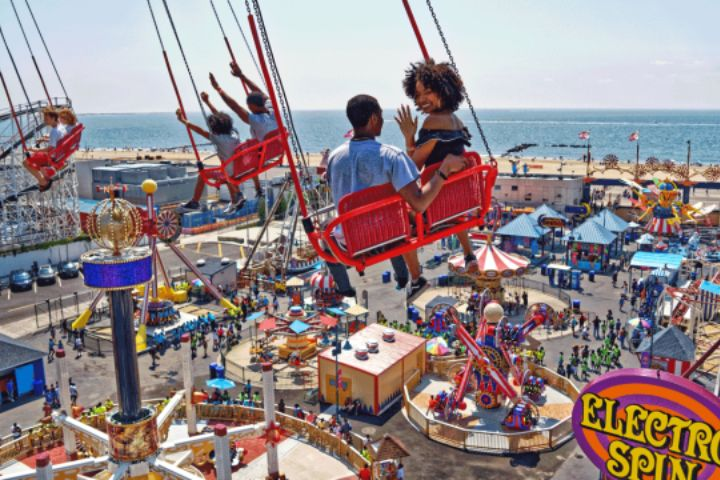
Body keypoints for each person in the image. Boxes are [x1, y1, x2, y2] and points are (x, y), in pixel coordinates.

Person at [325, 94, 467, 301]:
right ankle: (413, 275)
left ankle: (406, 278)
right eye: (381, 116)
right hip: (385, 235)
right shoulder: (391, 156)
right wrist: (444, 170)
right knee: (414, 216)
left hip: (350, 241)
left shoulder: (334, 157)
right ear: (374, 119)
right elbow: (419, 203)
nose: (383, 121)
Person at [397, 59, 478, 273]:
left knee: (397, 219)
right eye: (418, 94)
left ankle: (414, 277)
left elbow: (413, 166)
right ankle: (469, 253)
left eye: (429, 92)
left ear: (444, 89)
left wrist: (408, 139)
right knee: (447, 189)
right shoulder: (456, 122)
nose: (422, 99)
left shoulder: (432, 122)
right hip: (456, 201)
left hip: (435, 204)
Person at [205, 62, 276, 197]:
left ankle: (237, 196)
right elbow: (261, 94)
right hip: (274, 150)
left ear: (252, 106)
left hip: (262, 157)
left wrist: (218, 89)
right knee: (248, 144)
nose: (248, 108)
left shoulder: (257, 121)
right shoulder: (273, 111)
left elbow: (235, 107)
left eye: (249, 106)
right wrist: (241, 76)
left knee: (238, 150)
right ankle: (257, 188)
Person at [175, 109, 244, 214]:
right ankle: (235, 198)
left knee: (203, 175)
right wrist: (208, 102)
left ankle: (195, 202)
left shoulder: (217, 138)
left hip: (228, 173)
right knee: (228, 172)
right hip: (237, 170)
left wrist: (184, 121)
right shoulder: (235, 135)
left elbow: (200, 131)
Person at [24, 107, 67, 191]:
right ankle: (42, 176)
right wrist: (45, 139)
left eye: (46, 119)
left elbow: (50, 148)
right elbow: (58, 141)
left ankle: (42, 181)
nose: (45, 121)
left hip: (51, 157)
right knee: (34, 159)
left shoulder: (54, 131)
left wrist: (36, 150)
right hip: (59, 156)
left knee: (25, 162)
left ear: (53, 118)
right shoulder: (61, 128)